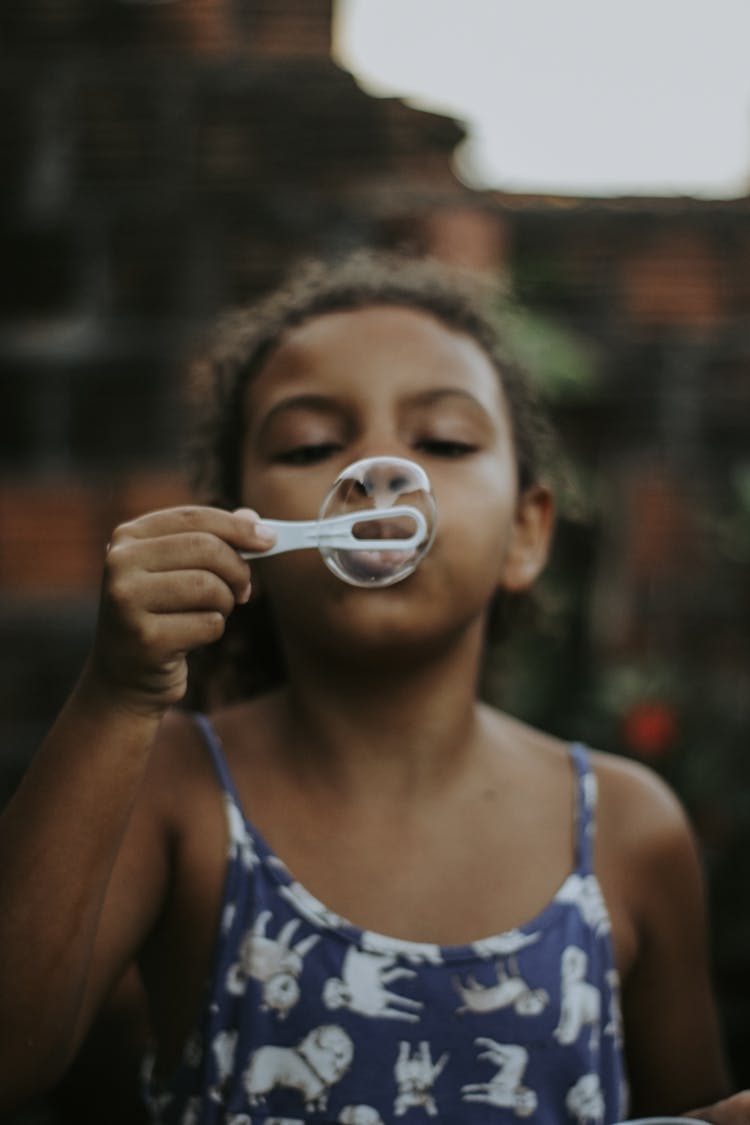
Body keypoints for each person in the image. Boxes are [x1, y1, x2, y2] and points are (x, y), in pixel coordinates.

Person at [0, 252, 733, 1123]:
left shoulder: (626, 824)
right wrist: (117, 695)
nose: (379, 476)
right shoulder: (174, 789)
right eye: (311, 445)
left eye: (444, 442)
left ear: (525, 536)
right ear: (247, 535)